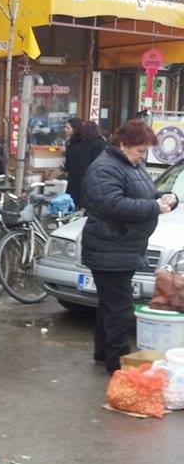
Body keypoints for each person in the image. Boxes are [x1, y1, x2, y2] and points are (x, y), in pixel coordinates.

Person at [81, 118, 178, 372]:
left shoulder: (130, 165)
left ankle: (103, 354)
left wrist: (166, 197)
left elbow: (143, 194)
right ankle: (119, 363)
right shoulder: (104, 168)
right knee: (119, 308)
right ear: (123, 144)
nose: (142, 156)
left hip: (122, 247)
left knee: (109, 305)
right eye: (140, 151)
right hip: (109, 247)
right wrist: (154, 207)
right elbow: (114, 204)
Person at [63, 120, 105, 209]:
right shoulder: (99, 144)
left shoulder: (72, 146)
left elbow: (67, 167)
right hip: (92, 184)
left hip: (74, 185)